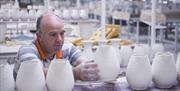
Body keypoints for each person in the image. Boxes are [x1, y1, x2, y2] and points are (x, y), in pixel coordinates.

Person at [14, 12, 99, 81]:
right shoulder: (27, 51)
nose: (59, 40)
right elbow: (37, 74)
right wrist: (74, 73)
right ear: (39, 36)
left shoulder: (66, 47)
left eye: (62, 33)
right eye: (53, 34)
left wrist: (87, 68)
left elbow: (84, 62)